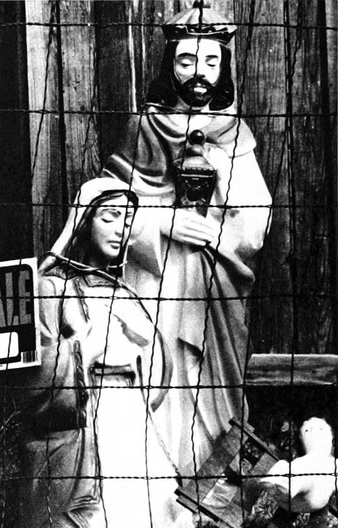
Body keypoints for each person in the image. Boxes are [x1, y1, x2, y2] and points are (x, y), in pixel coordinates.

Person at [60, 1, 272, 478]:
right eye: (187, 60)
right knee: (160, 367)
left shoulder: (234, 133)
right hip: (156, 277)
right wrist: (160, 222)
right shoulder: (144, 128)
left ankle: (210, 478)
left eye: (211, 61)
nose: (199, 73)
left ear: (225, 68)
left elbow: (255, 216)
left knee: (210, 384)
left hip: (213, 279)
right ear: (168, 64)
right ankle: (160, 480)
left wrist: (221, 215)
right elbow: (108, 206)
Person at [8, 178, 195, 528]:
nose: (120, 229)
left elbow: (155, 361)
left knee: (138, 494)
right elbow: (34, 373)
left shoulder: (125, 292)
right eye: (109, 217)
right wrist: (83, 349)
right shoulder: (51, 288)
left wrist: (144, 353)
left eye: (127, 220)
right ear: (84, 221)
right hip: (87, 412)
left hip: (129, 410)